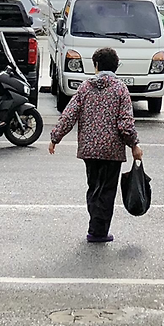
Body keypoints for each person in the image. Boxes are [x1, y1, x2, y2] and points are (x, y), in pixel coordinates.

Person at [48, 46, 142, 243]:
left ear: (96, 65)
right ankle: (98, 231)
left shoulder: (85, 88)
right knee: (106, 190)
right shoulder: (120, 89)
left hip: (89, 149)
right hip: (112, 150)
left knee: (93, 187)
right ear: (116, 66)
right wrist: (134, 144)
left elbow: (69, 115)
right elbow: (125, 124)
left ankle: (95, 226)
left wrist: (55, 137)